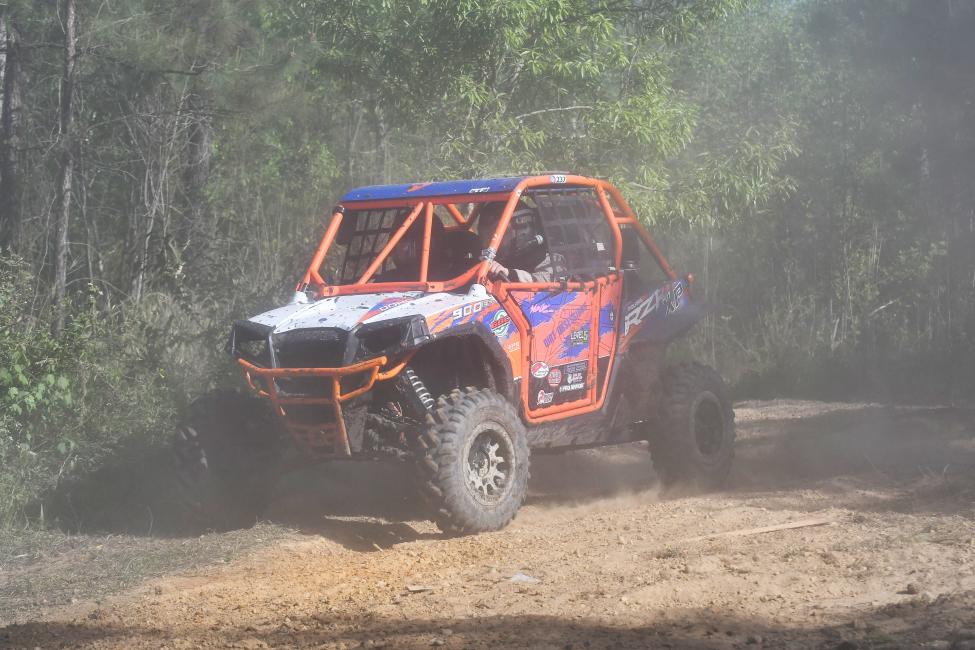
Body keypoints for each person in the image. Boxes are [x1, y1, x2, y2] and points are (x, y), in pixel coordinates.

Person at [476, 201, 562, 283]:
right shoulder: (490, 260)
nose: (490, 241)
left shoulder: (550, 259)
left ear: (522, 230)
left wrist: (508, 273)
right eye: (486, 235)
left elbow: (544, 280)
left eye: (495, 233)